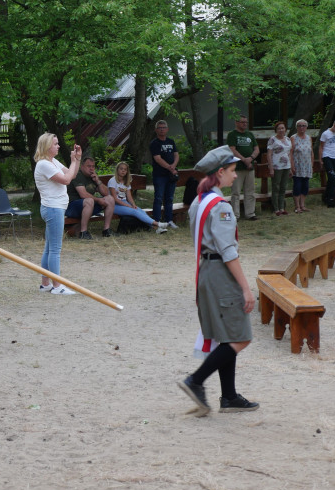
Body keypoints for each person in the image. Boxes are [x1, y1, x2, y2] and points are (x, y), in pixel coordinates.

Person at [178, 146, 258, 415]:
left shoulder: (200, 202)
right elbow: (228, 252)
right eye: (233, 171)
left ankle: (229, 397)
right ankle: (196, 380)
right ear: (220, 172)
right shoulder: (220, 207)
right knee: (241, 336)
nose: (236, 176)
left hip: (205, 272)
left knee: (227, 335)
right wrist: (246, 288)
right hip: (220, 273)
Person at [34, 133, 82, 295]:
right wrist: (74, 162)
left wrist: (76, 159)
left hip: (55, 208)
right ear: (47, 147)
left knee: (49, 248)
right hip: (53, 209)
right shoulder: (43, 164)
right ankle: (57, 286)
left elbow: (71, 174)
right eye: (55, 144)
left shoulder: (52, 161)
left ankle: (45, 284)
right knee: (55, 249)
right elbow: (66, 180)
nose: (58, 146)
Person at [107, 161, 169, 234]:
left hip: (124, 203)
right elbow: (114, 199)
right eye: (121, 169)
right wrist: (128, 206)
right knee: (134, 212)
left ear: (127, 171)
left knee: (141, 211)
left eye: (125, 169)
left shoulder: (126, 181)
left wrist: (133, 205)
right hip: (114, 205)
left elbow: (129, 196)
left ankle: (156, 228)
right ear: (117, 170)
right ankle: (157, 223)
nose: (123, 171)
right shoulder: (112, 181)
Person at [67, 156, 116, 239]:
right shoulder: (77, 175)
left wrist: (98, 181)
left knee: (110, 199)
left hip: (88, 206)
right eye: (88, 166)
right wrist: (98, 200)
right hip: (72, 207)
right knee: (89, 201)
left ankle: (106, 230)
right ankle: (83, 232)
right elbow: (83, 194)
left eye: (93, 166)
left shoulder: (92, 177)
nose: (91, 169)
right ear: (82, 166)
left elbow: (105, 193)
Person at [226, 114, 259, 220]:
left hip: (249, 167)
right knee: (236, 192)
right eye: (242, 122)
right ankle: (235, 215)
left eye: (246, 122)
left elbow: (256, 149)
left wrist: (250, 158)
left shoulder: (250, 134)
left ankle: (250, 213)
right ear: (236, 123)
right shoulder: (232, 134)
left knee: (250, 191)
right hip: (237, 168)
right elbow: (232, 149)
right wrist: (244, 159)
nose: (245, 124)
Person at [149, 120, 180, 229]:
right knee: (158, 197)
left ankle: (169, 220)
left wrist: (174, 165)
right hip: (159, 175)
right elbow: (157, 159)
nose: (162, 129)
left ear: (167, 129)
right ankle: (156, 222)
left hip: (170, 175)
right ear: (156, 130)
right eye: (160, 127)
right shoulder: (154, 143)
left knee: (169, 198)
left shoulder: (171, 142)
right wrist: (170, 168)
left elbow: (176, 155)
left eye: (164, 127)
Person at [267, 121, 292, 216]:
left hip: (286, 166)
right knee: (276, 187)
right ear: (276, 130)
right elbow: (269, 154)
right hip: (277, 166)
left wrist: (290, 168)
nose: (281, 130)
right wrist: (271, 168)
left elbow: (289, 153)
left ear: (285, 129)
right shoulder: (272, 140)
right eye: (279, 128)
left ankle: (282, 207)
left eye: (282, 128)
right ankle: (276, 209)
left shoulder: (288, 139)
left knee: (283, 187)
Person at [290, 119, 314, 213]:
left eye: (303, 125)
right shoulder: (293, 138)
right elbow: (290, 153)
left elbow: (311, 151)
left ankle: (303, 205)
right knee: (297, 186)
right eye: (299, 126)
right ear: (296, 127)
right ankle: (297, 207)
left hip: (307, 166)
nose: (301, 127)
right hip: (297, 165)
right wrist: (292, 166)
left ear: (306, 127)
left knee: (305, 186)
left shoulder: (309, 138)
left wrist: (311, 164)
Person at [319, 118, 335, 208]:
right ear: (334, 125)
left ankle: (328, 197)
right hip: (327, 155)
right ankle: (330, 199)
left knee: (334, 178)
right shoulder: (325, 133)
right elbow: (321, 147)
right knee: (331, 176)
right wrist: (321, 160)